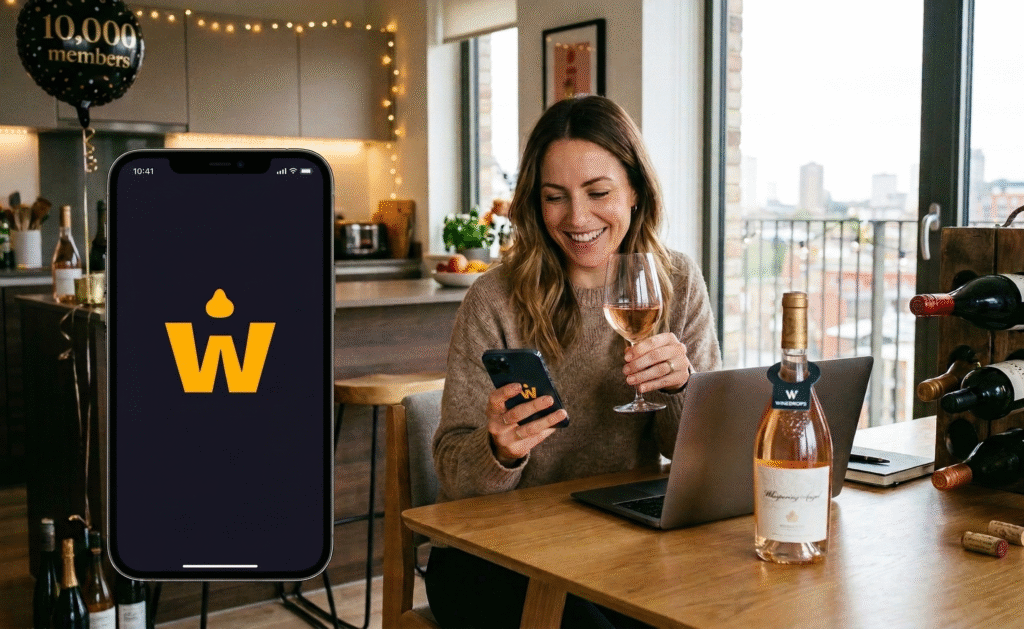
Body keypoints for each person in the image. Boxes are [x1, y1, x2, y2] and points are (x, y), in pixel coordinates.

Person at [424, 95, 723, 629]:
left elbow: (699, 460)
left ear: (636, 189)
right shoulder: (494, 298)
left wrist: (683, 391)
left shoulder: (677, 282)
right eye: (554, 197)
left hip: (618, 540)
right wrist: (499, 450)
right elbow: (451, 465)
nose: (577, 218)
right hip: (492, 555)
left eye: (598, 192)